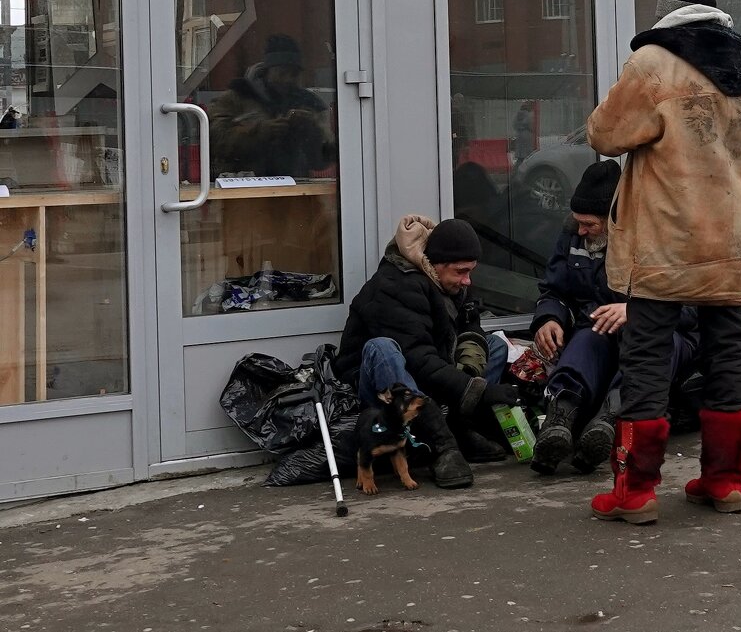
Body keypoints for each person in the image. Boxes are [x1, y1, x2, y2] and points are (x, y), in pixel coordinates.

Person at [585, 0, 741, 524]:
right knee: (729, 353)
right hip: (730, 236)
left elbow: (605, 134)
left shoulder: (653, 63)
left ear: (667, 9)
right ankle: (725, 482)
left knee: (645, 358)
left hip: (664, 239)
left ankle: (635, 491)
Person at [528, 159, 698, 476]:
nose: (581, 230)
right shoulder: (573, 236)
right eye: (577, 221)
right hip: (602, 330)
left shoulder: (659, 237)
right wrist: (548, 318)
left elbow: (691, 307)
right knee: (588, 337)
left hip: (667, 334)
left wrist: (637, 312)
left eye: (589, 224)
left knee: (647, 343)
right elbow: (554, 290)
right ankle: (561, 416)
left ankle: (610, 420)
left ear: (614, 217)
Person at [333, 216, 522, 489]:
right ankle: (442, 445)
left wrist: (470, 376)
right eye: (461, 271)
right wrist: (477, 390)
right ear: (434, 264)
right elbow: (417, 358)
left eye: (471, 271)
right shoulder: (396, 285)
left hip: (428, 367)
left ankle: (460, 426)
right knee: (382, 348)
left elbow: (469, 329)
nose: (468, 280)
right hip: (383, 383)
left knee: (495, 345)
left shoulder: (449, 281)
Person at [209, 33, 334, 179]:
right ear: (267, 71)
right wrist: (262, 131)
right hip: (244, 187)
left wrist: (310, 129)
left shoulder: (311, 104)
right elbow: (215, 143)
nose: (287, 79)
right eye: (282, 72)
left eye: (293, 74)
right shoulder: (237, 97)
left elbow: (322, 161)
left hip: (296, 188)